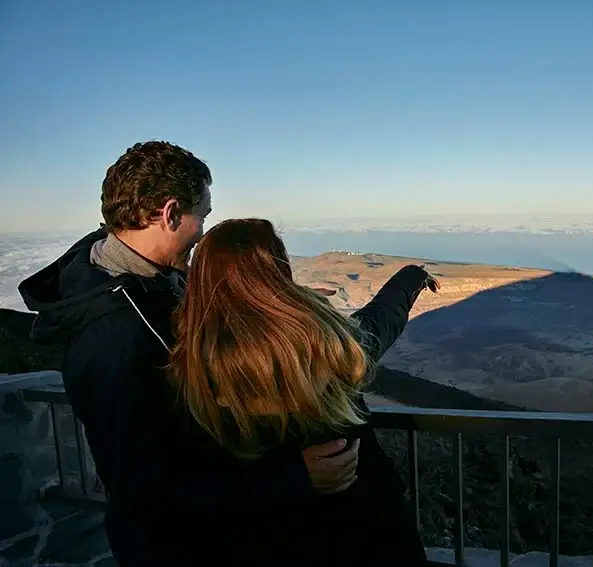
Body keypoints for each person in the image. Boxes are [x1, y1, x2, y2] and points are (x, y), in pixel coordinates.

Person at [18, 142, 362, 566]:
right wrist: (292, 479)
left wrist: (282, 300)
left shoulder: (145, 283)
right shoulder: (113, 335)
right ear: (170, 214)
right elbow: (144, 488)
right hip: (179, 549)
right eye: (203, 215)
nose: (203, 231)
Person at [168, 217, 439, 565]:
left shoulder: (189, 361)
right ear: (275, 269)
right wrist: (410, 279)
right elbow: (376, 325)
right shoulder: (318, 341)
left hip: (264, 537)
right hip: (362, 524)